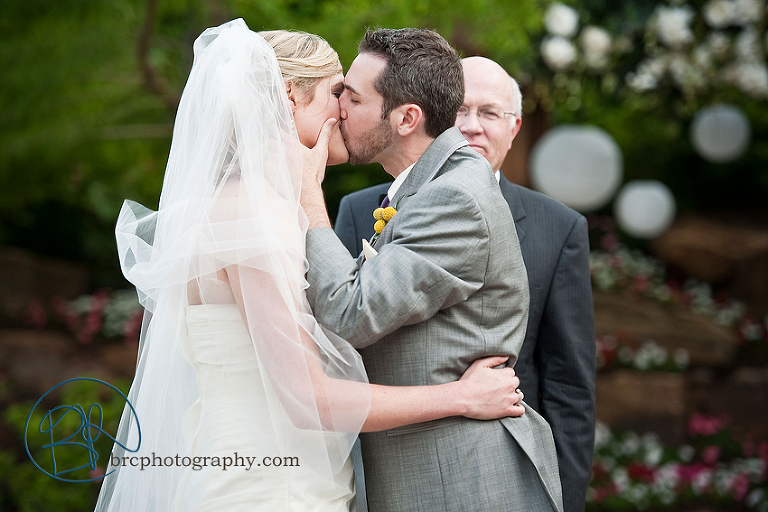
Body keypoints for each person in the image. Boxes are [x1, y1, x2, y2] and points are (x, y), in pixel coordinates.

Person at [94, 20, 527, 512]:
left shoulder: (254, 206)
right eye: (337, 93)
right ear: (289, 98)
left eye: (351, 97)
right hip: (265, 484)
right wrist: (460, 397)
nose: (342, 110)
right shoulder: (249, 212)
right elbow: (309, 395)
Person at [300, 28, 563, 512]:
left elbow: (351, 312)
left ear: (406, 118)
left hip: (459, 483)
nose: (340, 109)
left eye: (354, 98)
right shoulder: (426, 186)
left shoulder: (454, 197)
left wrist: (308, 196)